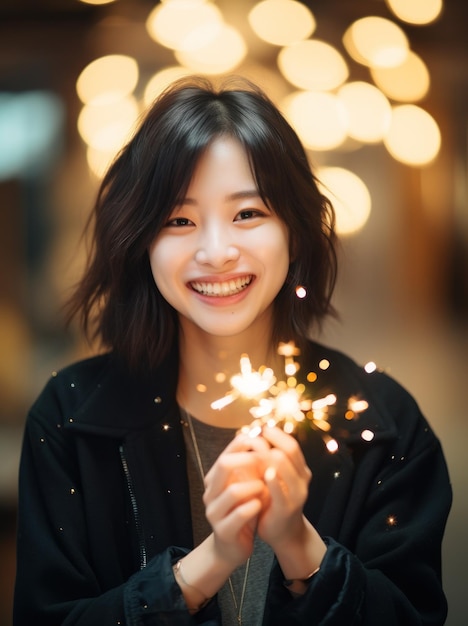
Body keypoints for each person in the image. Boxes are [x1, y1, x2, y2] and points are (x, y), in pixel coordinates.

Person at [13, 76, 452, 626]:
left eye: (248, 213)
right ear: (140, 239)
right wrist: (209, 563)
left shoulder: (386, 425)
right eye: (179, 220)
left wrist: (300, 549)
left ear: (294, 228)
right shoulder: (70, 418)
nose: (217, 252)